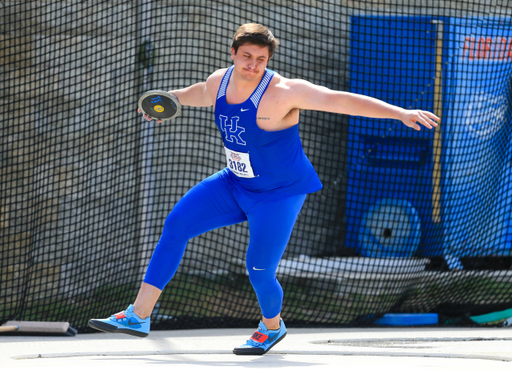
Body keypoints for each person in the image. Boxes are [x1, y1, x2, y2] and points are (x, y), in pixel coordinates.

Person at [89, 23, 439, 355]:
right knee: (177, 223)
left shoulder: (285, 92)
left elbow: (340, 100)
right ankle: (139, 315)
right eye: (247, 57)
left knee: (258, 268)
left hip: (279, 194)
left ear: (268, 60)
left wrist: (399, 113)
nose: (253, 65)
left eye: (261, 59)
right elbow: (200, 93)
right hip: (235, 182)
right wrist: (169, 100)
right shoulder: (219, 82)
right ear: (233, 53)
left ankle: (272, 327)